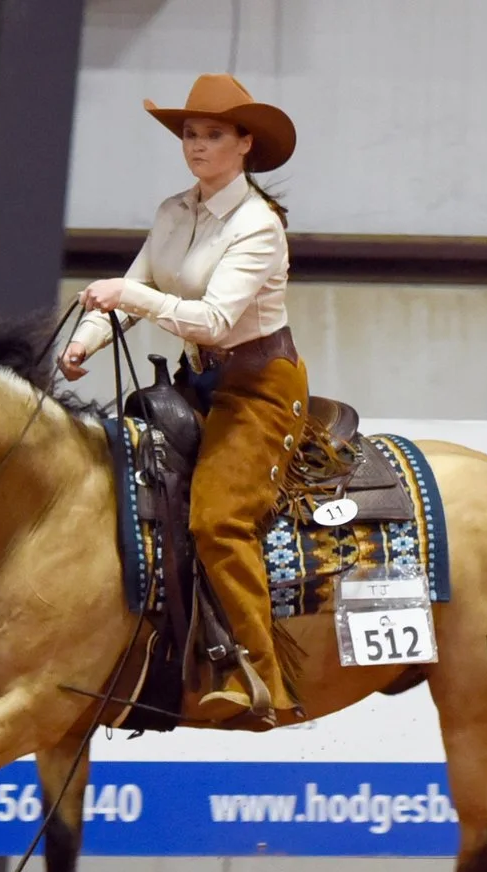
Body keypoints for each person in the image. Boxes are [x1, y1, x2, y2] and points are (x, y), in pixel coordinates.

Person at [58, 73, 303, 725]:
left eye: (214, 134)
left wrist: (126, 297)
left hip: (259, 386)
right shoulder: (175, 211)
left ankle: (257, 675)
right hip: (200, 382)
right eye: (190, 134)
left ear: (245, 143)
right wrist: (85, 341)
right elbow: (138, 281)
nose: (197, 146)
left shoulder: (258, 226)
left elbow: (214, 321)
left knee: (217, 519)